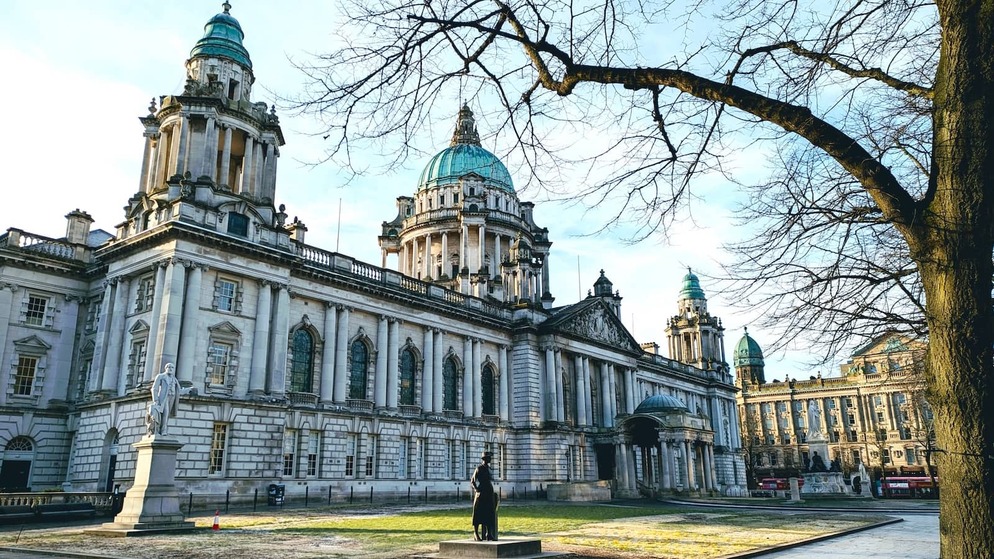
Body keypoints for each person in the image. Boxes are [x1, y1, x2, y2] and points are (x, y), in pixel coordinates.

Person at [470, 452, 498, 541]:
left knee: (489, 512)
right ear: (484, 459)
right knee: (478, 513)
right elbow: (473, 480)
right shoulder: (479, 468)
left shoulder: (489, 469)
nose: (490, 459)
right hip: (481, 492)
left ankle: (489, 533)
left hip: (489, 491)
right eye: (489, 458)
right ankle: (476, 533)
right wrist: (476, 490)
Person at [147, 363, 181, 436]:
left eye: (172, 367)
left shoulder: (174, 379)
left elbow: (179, 391)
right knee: (165, 413)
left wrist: (189, 390)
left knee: (167, 414)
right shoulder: (161, 376)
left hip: (172, 398)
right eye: (168, 367)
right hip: (163, 398)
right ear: (165, 368)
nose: (170, 369)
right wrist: (156, 400)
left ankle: (162, 430)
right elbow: (154, 388)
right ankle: (163, 431)